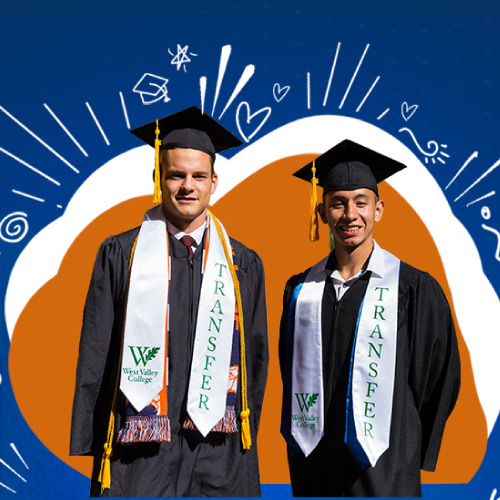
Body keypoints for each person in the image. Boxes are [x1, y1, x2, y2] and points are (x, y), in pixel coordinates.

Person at [70, 106, 268, 497]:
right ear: (160, 179)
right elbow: (96, 348)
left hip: (216, 446)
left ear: (215, 182)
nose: (187, 187)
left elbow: (255, 360)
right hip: (139, 447)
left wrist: (243, 433)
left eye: (198, 176)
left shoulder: (241, 263)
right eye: (176, 175)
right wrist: (94, 435)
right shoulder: (120, 253)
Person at [279, 139, 460, 497]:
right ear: (322, 213)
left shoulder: (412, 288)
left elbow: (437, 378)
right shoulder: (300, 290)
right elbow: (290, 369)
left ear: (378, 210)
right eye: (338, 204)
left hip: (385, 465)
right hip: (314, 462)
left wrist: (407, 442)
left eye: (361, 202)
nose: (350, 215)